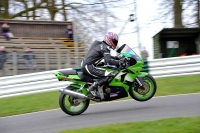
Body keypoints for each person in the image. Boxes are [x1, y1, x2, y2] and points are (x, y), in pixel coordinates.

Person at [81, 32, 125, 98]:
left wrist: (117, 58)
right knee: (109, 75)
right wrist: (119, 62)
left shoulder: (101, 45)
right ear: (109, 40)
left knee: (105, 72)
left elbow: (107, 57)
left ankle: (99, 89)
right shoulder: (105, 47)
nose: (115, 43)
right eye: (115, 41)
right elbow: (108, 61)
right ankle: (92, 89)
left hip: (86, 65)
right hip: (89, 66)